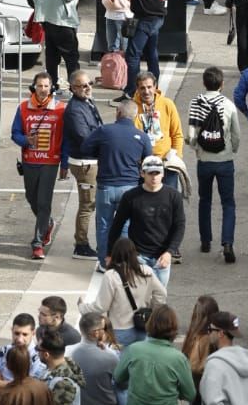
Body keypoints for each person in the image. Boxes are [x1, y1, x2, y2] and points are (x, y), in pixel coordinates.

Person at [78, 95, 149, 268]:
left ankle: (104, 261)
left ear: (118, 113)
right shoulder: (142, 136)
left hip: (106, 187)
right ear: (136, 116)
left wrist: (102, 154)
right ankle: (123, 261)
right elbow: (148, 160)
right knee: (125, 225)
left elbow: (85, 148)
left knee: (104, 225)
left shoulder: (104, 131)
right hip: (130, 188)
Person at [106, 156, 185, 291]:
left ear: (163, 174)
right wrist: (110, 254)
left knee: (159, 299)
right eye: (150, 173)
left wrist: (169, 252)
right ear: (142, 174)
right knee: (139, 299)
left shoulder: (173, 196)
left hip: (162, 258)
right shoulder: (130, 197)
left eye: (157, 173)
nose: (154, 177)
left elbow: (179, 225)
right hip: (138, 256)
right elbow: (117, 225)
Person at [188, 65, 241, 264]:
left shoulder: (196, 102)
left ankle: (205, 240)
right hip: (225, 159)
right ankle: (227, 242)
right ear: (222, 84)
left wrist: (196, 149)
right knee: (228, 203)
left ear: (204, 83)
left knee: (205, 200)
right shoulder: (227, 105)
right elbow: (236, 134)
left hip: (204, 160)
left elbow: (192, 135)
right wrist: (232, 149)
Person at [12, 71, 66, 260]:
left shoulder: (60, 109)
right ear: (34, 87)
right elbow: (15, 134)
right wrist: (26, 140)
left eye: (46, 85)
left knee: (44, 202)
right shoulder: (23, 108)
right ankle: (47, 223)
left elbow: (66, 138)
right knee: (31, 197)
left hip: (50, 161)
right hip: (30, 161)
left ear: (51, 87)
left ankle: (37, 242)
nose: (43, 89)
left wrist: (65, 163)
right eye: (40, 85)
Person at [62, 71, 102, 258]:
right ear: (72, 88)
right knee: (87, 204)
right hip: (84, 163)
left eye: (89, 84)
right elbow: (84, 137)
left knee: (90, 203)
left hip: (91, 160)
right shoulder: (74, 110)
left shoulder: (87, 102)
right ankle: (81, 244)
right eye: (83, 86)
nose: (88, 88)